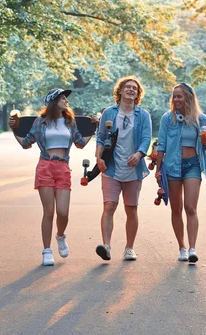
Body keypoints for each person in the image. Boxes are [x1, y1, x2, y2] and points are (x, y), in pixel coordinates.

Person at [9, 88, 99, 266]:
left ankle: (60, 236)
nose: (66, 101)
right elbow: (26, 143)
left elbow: (79, 143)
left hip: (63, 168)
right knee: (48, 212)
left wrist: (94, 127)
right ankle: (47, 251)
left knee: (63, 213)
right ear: (52, 101)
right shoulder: (40, 122)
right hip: (45, 166)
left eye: (66, 98)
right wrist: (14, 130)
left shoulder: (69, 122)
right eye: (63, 98)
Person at [94, 76, 152, 261]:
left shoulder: (143, 115)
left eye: (134, 88)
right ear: (119, 91)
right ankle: (107, 246)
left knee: (131, 209)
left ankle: (129, 248)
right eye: (127, 87)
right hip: (111, 167)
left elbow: (146, 138)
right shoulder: (109, 113)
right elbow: (100, 137)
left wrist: (139, 154)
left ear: (138, 93)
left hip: (133, 170)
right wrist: (98, 158)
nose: (131, 90)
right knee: (109, 206)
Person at [155, 82, 206, 263]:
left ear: (188, 97)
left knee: (190, 207)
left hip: (193, 164)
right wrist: (158, 169)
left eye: (179, 96)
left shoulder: (201, 119)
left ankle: (192, 248)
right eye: (174, 96)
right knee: (176, 208)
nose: (176, 99)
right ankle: (182, 247)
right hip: (172, 166)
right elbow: (161, 145)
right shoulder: (167, 118)